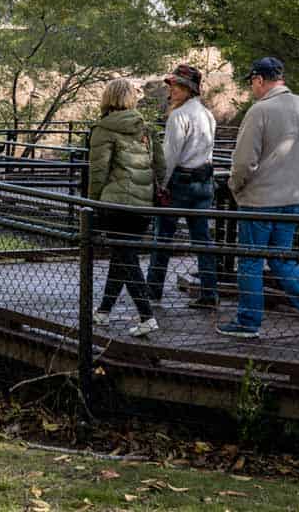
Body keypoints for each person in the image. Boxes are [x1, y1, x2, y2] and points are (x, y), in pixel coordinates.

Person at [218, 57, 299, 342]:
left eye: (252, 83)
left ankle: (248, 322)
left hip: (258, 200)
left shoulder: (260, 111)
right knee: (281, 260)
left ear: (258, 80)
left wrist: (234, 186)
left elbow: (243, 161)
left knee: (251, 262)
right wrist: (292, 171)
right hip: (292, 198)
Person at [88, 78, 166, 337]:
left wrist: (92, 203)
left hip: (117, 203)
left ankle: (146, 316)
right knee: (122, 257)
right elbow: (160, 166)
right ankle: (104, 311)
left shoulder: (104, 129)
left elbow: (98, 171)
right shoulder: (145, 128)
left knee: (125, 257)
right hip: (142, 205)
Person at [146, 65, 219, 308]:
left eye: (178, 85)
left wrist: (160, 187)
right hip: (204, 182)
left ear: (189, 89)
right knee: (203, 241)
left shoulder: (179, 116)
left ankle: (153, 292)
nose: (173, 89)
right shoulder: (207, 115)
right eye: (172, 85)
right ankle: (210, 293)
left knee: (163, 238)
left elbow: (170, 156)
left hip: (180, 183)